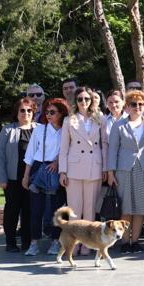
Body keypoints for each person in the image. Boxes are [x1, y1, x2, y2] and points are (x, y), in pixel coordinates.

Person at [106, 90, 144, 254]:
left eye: (141, 104)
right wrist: (110, 172)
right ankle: (124, 241)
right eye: (133, 104)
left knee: (140, 208)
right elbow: (112, 149)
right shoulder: (119, 124)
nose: (137, 107)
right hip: (124, 170)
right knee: (126, 208)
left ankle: (135, 241)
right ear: (127, 107)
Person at [58, 87, 108, 252]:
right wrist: (62, 171)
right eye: (80, 99)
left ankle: (87, 245)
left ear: (92, 100)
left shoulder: (100, 117)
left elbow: (104, 145)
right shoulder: (69, 120)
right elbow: (64, 147)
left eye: (87, 99)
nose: (84, 102)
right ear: (76, 101)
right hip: (74, 168)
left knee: (90, 210)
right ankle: (72, 244)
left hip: (94, 166)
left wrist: (106, 167)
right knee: (74, 210)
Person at [21, 97, 69, 256]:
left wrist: (57, 162)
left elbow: (69, 151)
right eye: (47, 111)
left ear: (61, 113)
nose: (48, 114)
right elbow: (30, 153)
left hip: (57, 170)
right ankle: (34, 243)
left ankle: (55, 241)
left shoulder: (66, 130)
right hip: (39, 167)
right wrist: (26, 176)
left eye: (52, 112)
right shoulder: (40, 129)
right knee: (36, 209)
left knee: (57, 209)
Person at [0, 98, 37, 252]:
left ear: (33, 112)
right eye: (22, 110)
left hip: (33, 179)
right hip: (12, 179)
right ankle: (10, 243)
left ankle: (27, 243)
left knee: (29, 211)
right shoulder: (8, 130)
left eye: (29, 110)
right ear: (17, 112)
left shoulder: (39, 129)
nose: (26, 113)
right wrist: (1, 179)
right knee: (12, 211)